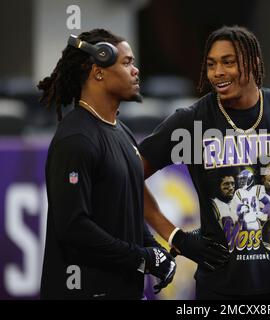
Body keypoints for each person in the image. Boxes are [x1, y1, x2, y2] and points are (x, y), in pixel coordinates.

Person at [140, 25, 270, 299]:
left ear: (253, 62)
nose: (217, 73)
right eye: (211, 64)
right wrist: (175, 238)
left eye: (228, 62)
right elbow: (127, 174)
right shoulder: (193, 121)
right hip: (220, 288)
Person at [38, 28, 176, 299]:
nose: (135, 70)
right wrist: (143, 258)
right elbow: (74, 228)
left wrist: (154, 250)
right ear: (97, 71)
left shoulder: (122, 132)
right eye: (126, 63)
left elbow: (126, 212)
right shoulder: (76, 138)